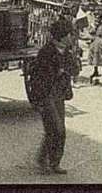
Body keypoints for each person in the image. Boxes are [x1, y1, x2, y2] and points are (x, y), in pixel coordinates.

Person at [28, 16, 75, 175]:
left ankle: (53, 162)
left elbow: (75, 70)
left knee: (58, 131)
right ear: (63, 36)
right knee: (56, 129)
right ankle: (45, 160)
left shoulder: (67, 52)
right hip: (46, 94)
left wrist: (69, 67)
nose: (72, 37)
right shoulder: (46, 52)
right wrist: (58, 71)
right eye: (70, 34)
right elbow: (38, 77)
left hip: (59, 95)